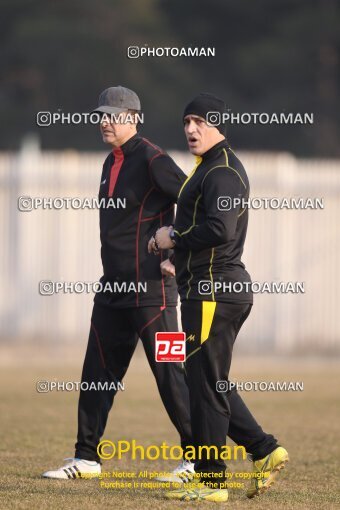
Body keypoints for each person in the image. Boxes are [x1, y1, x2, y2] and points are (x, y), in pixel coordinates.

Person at [42, 86, 194, 480]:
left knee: (169, 372)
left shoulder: (153, 158)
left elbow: (196, 202)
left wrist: (176, 252)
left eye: (113, 115)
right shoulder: (111, 161)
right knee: (96, 372)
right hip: (112, 290)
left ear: (133, 117)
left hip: (154, 292)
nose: (104, 121)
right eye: (101, 114)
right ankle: (86, 457)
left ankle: (198, 460)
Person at [150, 93, 289, 502]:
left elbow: (221, 229)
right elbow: (209, 233)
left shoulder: (223, 170)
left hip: (215, 291)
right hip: (208, 285)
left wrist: (171, 237)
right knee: (206, 380)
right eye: (186, 121)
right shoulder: (208, 168)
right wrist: (181, 259)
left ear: (219, 124)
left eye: (200, 121)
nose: (191, 128)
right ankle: (264, 450)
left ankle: (212, 482)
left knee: (205, 385)